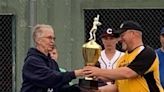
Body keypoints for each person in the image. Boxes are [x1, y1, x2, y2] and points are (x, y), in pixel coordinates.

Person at [84, 21, 164, 92]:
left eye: (122, 35)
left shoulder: (146, 52)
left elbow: (128, 73)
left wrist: (98, 71)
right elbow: (118, 86)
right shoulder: (123, 58)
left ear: (132, 34)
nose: (120, 39)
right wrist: (100, 90)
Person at [21, 24, 84, 92]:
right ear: (38, 40)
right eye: (49, 38)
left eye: (53, 38)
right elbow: (50, 78)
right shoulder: (32, 61)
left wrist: (80, 89)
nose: (52, 41)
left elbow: (60, 87)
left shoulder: (52, 62)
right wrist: (75, 73)